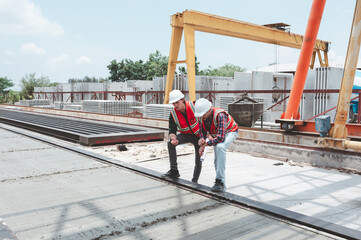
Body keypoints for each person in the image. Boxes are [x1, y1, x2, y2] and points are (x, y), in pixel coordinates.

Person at [194, 98, 238, 192]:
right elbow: (202, 131)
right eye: (200, 115)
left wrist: (205, 145)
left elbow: (221, 138)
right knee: (217, 160)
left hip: (230, 131)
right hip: (217, 134)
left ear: (209, 110)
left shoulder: (220, 115)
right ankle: (221, 186)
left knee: (220, 147)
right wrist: (201, 140)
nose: (202, 117)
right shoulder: (202, 116)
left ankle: (219, 181)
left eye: (203, 114)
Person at [162, 89, 202, 183]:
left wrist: (205, 137)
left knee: (198, 160)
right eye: (173, 103)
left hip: (199, 137)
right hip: (186, 135)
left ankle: (194, 181)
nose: (175, 105)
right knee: (170, 144)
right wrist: (173, 139)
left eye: (177, 102)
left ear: (182, 100)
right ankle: (174, 170)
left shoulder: (195, 106)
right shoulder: (173, 114)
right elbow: (172, 131)